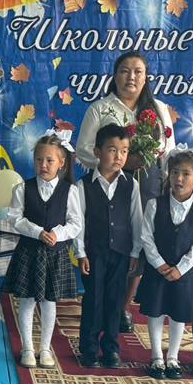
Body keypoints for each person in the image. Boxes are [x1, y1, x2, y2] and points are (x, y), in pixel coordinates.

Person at [74, 51, 176, 332]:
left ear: (146, 77)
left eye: (138, 71)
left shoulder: (159, 109)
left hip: (149, 182)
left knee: (140, 242)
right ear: (115, 75)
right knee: (112, 241)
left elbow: (169, 151)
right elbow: (83, 150)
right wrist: (119, 162)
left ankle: (123, 307)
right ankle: (101, 304)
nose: (131, 77)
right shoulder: (100, 109)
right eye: (125, 70)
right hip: (111, 182)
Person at [1, 129, 82, 369]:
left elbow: (76, 223)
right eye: (39, 159)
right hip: (29, 252)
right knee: (27, 301)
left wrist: (58, 234)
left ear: (61, 163)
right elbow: (15, 219)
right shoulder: (22, 189)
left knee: (49, 301)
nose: (43, 165)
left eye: (49, 160)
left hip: (55, 255)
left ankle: (45, 348)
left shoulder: (70, 191)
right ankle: (27, 348)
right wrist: (37, 232)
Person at [136, 144, 193, 380]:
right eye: (175, 172)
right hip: (157, 270)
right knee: (156, 311)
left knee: (179, 313)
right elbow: (146, 238)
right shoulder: (154, 205)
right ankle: (156, 357)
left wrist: (181, 269)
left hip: (184, 273)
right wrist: (159, 264)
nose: (179, 178)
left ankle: (173, 357)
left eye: (186, 174)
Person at [74, 124, 144, 369]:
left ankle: (111, 348)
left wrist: (135, 251)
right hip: (94, 253)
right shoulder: (83, 185)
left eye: (124, 151)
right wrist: (81, 252)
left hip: (121, 252)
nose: (118, 156)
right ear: (97, 152)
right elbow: (79, 222)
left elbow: (136, 219)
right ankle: (89, 348)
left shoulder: (131, 185)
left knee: (115, 301)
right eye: (112, 150)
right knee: (94, 299)